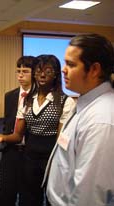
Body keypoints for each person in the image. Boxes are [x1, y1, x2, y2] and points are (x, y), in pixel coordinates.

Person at [0, 54, 75, 206]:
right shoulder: (28, 100)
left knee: (51, 199)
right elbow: (17, 135)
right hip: (29, 159)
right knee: (29, 199)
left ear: (55, 74)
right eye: (38, 70)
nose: (42, 75)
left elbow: (61, 139)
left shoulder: (65, 101)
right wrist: (2, 137)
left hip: (51, 160)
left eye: (48, 71)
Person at [46, 33, 114, 205]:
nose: (63, 69)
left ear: (94, 70)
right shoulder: (86, 101)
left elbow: (89, 196)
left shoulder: (101, 120)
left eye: (71, 64)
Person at [0, 56, 36, 206]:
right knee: (6, 195)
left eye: (25, 71)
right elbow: (8, 123)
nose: (20, 75)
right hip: (10, 152)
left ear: (34, 73)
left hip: (31, 153)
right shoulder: (10, 95)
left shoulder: (40, 96)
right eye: (18, 71)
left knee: (28, 196)